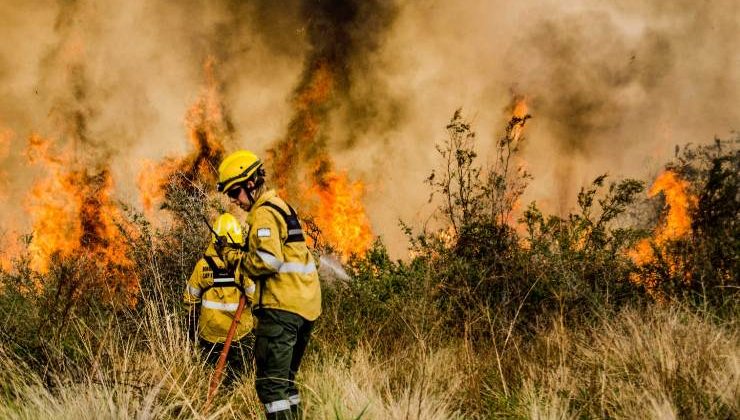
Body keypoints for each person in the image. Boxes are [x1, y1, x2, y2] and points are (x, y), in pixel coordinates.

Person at [214, 150, 321, 420]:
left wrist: (234, 259)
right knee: (286, 383)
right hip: (304, 309)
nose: (233, 200)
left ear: (250, 183)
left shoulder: (263, 213)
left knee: (271, 388)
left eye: (234, 192)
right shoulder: (282, 207)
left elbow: (267, 261)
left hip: (281, 310)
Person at [184, 212, 256, 384]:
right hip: (239, 336)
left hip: (209, 336)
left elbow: (190, 300)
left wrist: (192, 330)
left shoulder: (203, 266)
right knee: (238, 380)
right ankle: (233, 400)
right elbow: (256, 297)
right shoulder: (242, 266)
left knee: (207, 377)